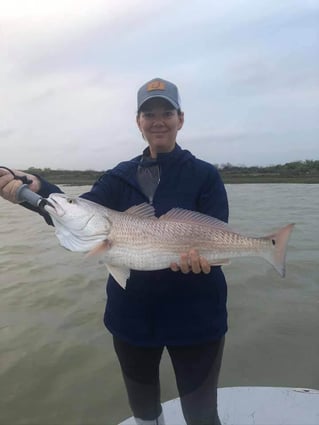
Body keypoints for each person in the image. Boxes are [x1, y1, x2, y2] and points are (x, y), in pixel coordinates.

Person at [0, 78, 229, 425]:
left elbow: (216, 234)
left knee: (201, 415)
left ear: (180, 118)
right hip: (132, 321)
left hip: (197, 319)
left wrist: (205, 261)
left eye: (166, 112)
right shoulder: (118, 177)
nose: (158, 120)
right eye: (148, 113)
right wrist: (37, 187)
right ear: (138, 122)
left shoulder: (205, 176)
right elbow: (79, 215)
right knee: (144, 411)